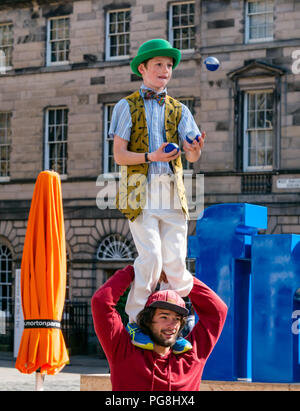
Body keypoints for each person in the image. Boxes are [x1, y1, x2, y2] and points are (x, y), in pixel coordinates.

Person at [110, 38, 206, 346]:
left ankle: (177, 318)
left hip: (172, 194)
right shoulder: (126, 106)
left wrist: (194, 149)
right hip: (140, 190)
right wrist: (152, 156)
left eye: (169, 65)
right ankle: (137, 320)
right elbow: (119, 156)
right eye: (159, 65)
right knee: (150, 258)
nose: (165, 70)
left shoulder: (180, 110)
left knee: (176, 263)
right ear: (143, 68)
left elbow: (191, 157)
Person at [91, 265, 227, 391]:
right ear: (148, 320)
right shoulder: (123, 350)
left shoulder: (192, 357)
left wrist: (179, 278)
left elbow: (218, 312)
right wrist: (138, 269)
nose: (172, 325)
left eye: (177, 319)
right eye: (164, 317)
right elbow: (101, 303)